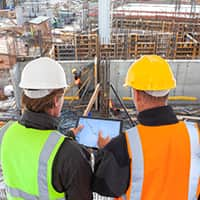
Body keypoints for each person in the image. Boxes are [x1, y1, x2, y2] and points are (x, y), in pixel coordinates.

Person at [93, 55, 200, 199]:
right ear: (167, 92)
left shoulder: (125, 144)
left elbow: (104, 186)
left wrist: (106, 151)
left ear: (136, 95)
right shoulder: (195, 135)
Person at [0, 57, 93, 200]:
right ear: (56, 100)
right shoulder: (71, 155)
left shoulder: (5, 132)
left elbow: (31, 154)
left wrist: (68, 137)